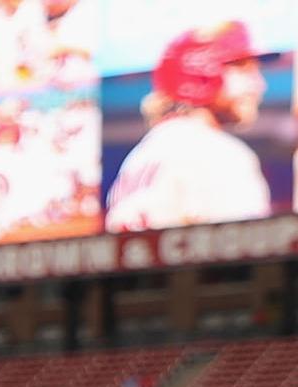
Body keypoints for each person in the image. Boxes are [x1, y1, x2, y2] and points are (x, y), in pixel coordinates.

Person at [107, 23, 273, 233]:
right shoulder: (218, 153)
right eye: (243, 69)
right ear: (202, 71)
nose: (259, 85)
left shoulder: (138, 157)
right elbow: (249, 254)